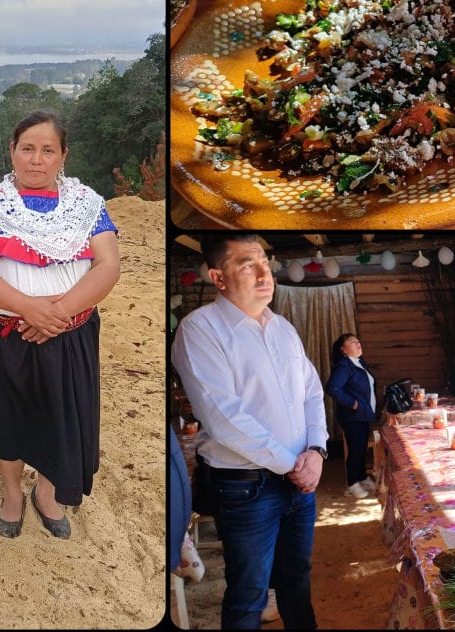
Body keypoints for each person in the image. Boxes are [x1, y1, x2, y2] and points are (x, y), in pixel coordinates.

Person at [0, 110, 120, 539]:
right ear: (11, 151)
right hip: (5, 330)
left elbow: (107, 265)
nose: (36, 159)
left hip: (71, 331)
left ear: (63, 155)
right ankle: (12, 492)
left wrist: (57, 314)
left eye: (48, 150)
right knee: (8, 414)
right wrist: (28, 308)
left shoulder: (87, 204)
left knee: (62, 414)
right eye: (27, 148)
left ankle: (46, 493)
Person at [171, 233, 328, 630]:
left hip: (300, 482)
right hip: (247, 486)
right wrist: (294, 463)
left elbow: (311, 392)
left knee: (297, 580)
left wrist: (316, 450)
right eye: (246, 264)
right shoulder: (200, 329)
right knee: (248, 592)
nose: (264, 273)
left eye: (265, 261)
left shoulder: (283, 328)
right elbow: (224, 416)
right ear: (217, 277)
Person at [325, 333, 377, 499]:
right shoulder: (344, 366)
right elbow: (332, 388)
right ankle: (352, 484)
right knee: (355, 449)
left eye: (358, 341)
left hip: (362, 415)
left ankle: (361, 477)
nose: (358, 344)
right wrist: (353, 404)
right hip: (352, 416)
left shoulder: (359, 363)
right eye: (353, 342)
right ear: (343, 350)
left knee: (360, 449)